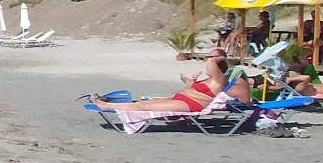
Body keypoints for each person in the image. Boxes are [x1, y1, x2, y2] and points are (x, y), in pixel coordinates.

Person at [102, 49, 249, 112]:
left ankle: (107, 106)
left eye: (210, 60)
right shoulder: (211, 79)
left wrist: (218, 57)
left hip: (191, 104)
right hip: (184, 99)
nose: (207, 64)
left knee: (144, 106)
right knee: (144, 103)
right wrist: (191, 80)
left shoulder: (219, 80)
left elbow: (212, 63)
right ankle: (111, 103)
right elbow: (198, 86)